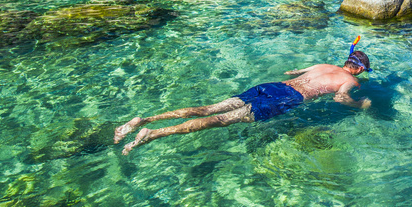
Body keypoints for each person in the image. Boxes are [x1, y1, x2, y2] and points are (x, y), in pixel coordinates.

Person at [115, 45, 372, 155]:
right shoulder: (353, 81)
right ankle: (152, 133)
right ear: (359, 69)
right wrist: (360, 105)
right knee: (220, 120)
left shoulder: (322, 64)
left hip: (273, 86)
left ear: (347, 62)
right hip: (286, 98)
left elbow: (292, 73)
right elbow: (340, 98)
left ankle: (144, 119)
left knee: (209, 108)